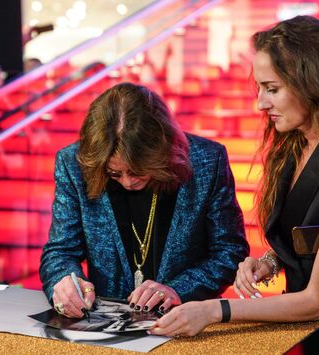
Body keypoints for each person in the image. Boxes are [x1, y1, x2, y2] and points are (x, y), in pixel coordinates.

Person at [150, 15, 319, 354]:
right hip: (303, 336)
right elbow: (309, 239)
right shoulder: (298, 145)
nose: (261, 103)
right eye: (261, 88)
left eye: (272, 89)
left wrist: (213, 310)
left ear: (314, 84)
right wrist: (271, 261)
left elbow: (316, 301)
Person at [39, 82, 248, 319]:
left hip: (187, 322)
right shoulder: (73, 164)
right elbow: (60, 251)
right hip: (104, 329)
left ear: (161, 152)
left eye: (138, 171)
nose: (127, 182)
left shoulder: (207, 161)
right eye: (114, 173)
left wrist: (178, 289)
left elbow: (229, 251)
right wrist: (64, 281)